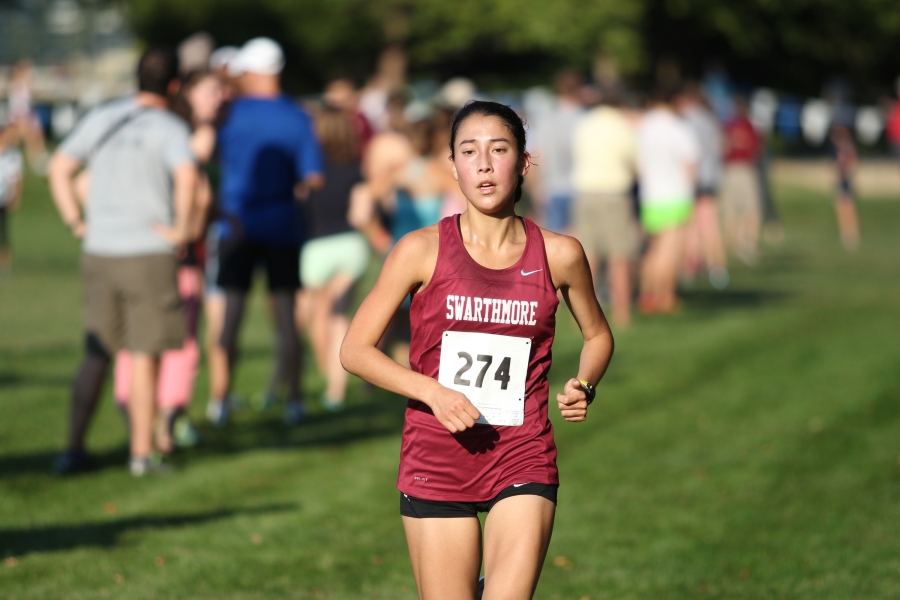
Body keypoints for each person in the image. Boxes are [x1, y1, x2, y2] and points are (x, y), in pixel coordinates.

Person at [340, 101, 614, 600]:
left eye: (499, 149)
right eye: (469, 151)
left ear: (525, 162)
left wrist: (585, 384)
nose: (484, 164)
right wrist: (432, 392)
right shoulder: (419, 250)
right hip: (437, 454)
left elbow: (597, 334)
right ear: (452, 166)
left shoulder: (560, 253)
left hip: (522, 451)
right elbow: (355, 350)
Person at [47, 48, 199, 476]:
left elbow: (60, 165)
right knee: (145, 353)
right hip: (148, 250)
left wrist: (76, 222)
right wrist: (183, 230)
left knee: (97, 351)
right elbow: (187, 176)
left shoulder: (103, 116)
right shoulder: (171, 126)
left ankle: (73, 447)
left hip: (99, 249)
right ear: (173, 86)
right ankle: (140, 455)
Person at [208, 37, 323, 426]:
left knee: (230, 319)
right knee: (288, 317)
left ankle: (219, 402)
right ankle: (294, 401)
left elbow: (206, 158)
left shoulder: (228, 114)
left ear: (253, 72)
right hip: (282, 227)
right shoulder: (297, 116)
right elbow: (313, 177)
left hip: (235, 225)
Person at [111, 70, 225, 451]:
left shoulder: (145, 132)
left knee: (139, 340)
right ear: (184, 92)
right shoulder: (192, 136)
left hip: (137, 250)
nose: (220, 96)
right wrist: (185, 228)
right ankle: (161, 425)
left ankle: (143, 422)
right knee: (178, 345)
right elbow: (200, 194)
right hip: (177, 256)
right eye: (211, 90)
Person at [298, 105, 369, 410]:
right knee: (341, 316)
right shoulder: (356, 167)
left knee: (319, 318)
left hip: (316, 247)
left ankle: (330, 376)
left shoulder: (308, 169)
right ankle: (337, 390)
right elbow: (361, 212)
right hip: (351, 245)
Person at [570, 87, 640, 328]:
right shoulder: (622, 126)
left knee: (588, 256)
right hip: (614, 194)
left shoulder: (584, 124)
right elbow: (634, 161)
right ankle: (622, 313)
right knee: (619, 255)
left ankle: (580, 313)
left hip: (585, 193)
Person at [636, 86, 700, 315]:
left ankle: (646, 294)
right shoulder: (679, 128)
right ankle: (665, 296)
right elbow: (690, 166)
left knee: (652, 249)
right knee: (669, 251)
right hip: (675, 195)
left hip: (650, 196)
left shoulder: (643, 126)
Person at [676, 83, 729, 289]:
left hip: (694, 180)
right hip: (711, 179)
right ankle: (717, 267)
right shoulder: (709, 119)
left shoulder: (686, 121)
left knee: (692, 228)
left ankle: (691, 268)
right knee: (711, 226)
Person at [528, 70, 583, 232]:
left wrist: (536, 190)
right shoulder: (585, 119)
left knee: (554, 245)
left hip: (551, 188)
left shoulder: (545, 120)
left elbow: (536, 157)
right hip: (581, 189)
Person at [720, 96, 763, 264]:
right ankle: (747, 243)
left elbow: (722, 148)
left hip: (731, 170)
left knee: (734, 209)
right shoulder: (751, 127)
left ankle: (737, 242)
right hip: (744, 169)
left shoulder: (728, 126)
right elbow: (757, 150)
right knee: (749, 208)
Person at [828, 124, 861, 250]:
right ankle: (846, 233)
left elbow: (850, 163)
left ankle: (851, 233)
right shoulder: (839, 148)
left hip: (845, 181)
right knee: (841, 207)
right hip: (841, 181)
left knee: (847, 207)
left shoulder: (846, 148)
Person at [0, 117, 24, 275]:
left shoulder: (13, 156)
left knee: (3, 234)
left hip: (2, 199)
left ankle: (4, 265)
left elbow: (16, 179)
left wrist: (15, 196)